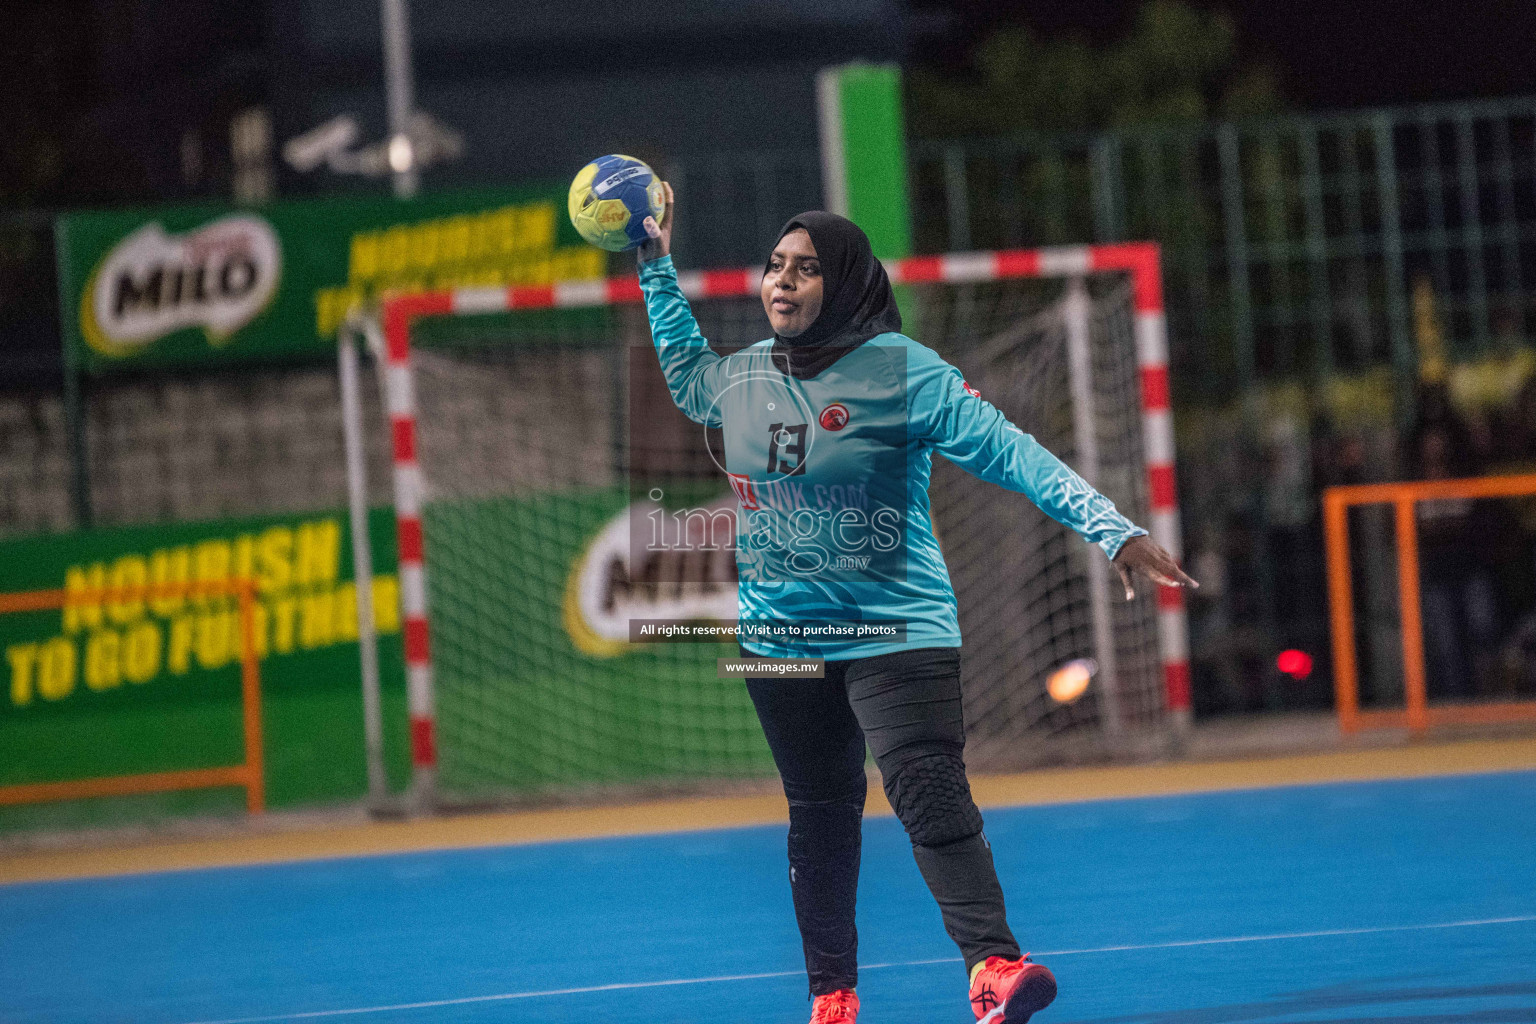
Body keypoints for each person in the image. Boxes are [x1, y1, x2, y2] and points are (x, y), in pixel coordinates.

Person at [636, 184, 1195, 1024]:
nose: (782, 283)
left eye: (807, 269)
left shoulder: (903, 371)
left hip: (897, 624)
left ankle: (994, 969)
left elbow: (1014, 453)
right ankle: (833, 993)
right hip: (780, 637)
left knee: (925, 783)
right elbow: (685, 370)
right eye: (775, 268)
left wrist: (1111, 529)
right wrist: (653, 261)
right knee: (819, 813)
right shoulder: (743, 376)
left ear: (849, 283)